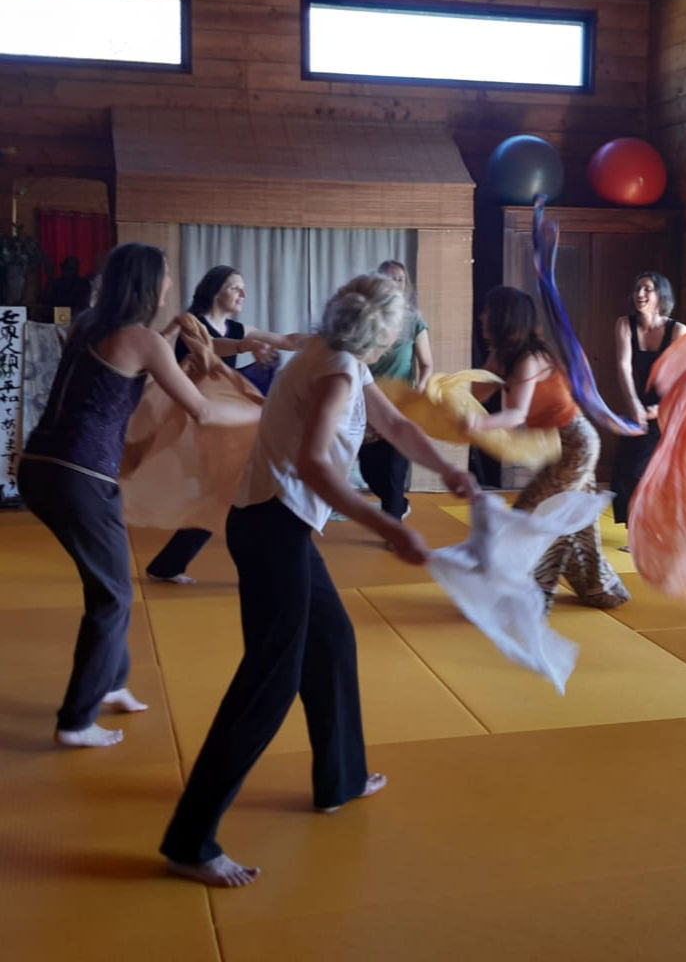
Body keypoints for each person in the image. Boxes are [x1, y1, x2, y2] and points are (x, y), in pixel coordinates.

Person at [159, 273, 477, 888]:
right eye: (395, 329)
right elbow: (311, 460)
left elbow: (399, 428)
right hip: (273, 527)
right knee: (269, 684)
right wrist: (384, 523)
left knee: (331, 644)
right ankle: (190, 840)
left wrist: (450, 469)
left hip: (282, 527)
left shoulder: (341, 361)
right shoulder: (332, 368)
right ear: (380, 332)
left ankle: (342, 777)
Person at [16, 243, 261, 749]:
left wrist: (173, 331)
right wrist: (266, 416)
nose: (171, 284)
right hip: (78, 474)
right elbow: (205, 412)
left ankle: (111, 683)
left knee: (108, 583)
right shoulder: (142, 340)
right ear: (150, 283)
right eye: (166, 276)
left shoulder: (88, 324)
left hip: (42, 466)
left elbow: (131, 366)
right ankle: (75, 720)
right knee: (113, 594)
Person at [146, 265, 310, 584]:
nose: (242, 294)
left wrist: (327, 339)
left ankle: (169, 564)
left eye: (243, 288)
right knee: (229, 492)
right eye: (235, 287)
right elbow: (206, 348)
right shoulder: (190, 323)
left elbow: (287, 340)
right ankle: (177, 564)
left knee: (226, 493)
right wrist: (244, 347)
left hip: (225, 420)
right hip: (194, 419)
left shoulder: (237, 329)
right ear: (215, 290)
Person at [469, 286, 630, 610]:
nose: (483, 317)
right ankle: (602, 589)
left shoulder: (529, 359)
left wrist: (477, 425)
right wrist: (440, 403)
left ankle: (533, 593)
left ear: (505, 318)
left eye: (489, 311)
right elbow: (475, 394)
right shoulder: (504, 357)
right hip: (556, 445)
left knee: (532, 515)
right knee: (574, 521)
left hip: (575, 444)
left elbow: (516, 415)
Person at [610, 272, 686, 545]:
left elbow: (683, 381)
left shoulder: (678, 331)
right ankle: (639, 535)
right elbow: (623, 367)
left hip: (669, 409)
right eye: (637, 288)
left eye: (647, 289)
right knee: (622, 472)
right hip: (637, 406)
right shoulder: (624, 325)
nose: (640, 294)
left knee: (645, 473)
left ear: (661, 296)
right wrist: (633, 406)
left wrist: (660, 410)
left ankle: (649, 536)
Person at [358, 259, 433, 523]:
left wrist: (419, 391)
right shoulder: (366, 318)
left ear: (406, 285)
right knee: (369, 468)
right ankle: (399, 504)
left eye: (399, 279)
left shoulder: (413, 320)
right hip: (368, 403)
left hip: (402, 405)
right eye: (388, 278)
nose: (394, 283)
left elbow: (426, 364)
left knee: (394, 467)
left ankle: (393, 525)